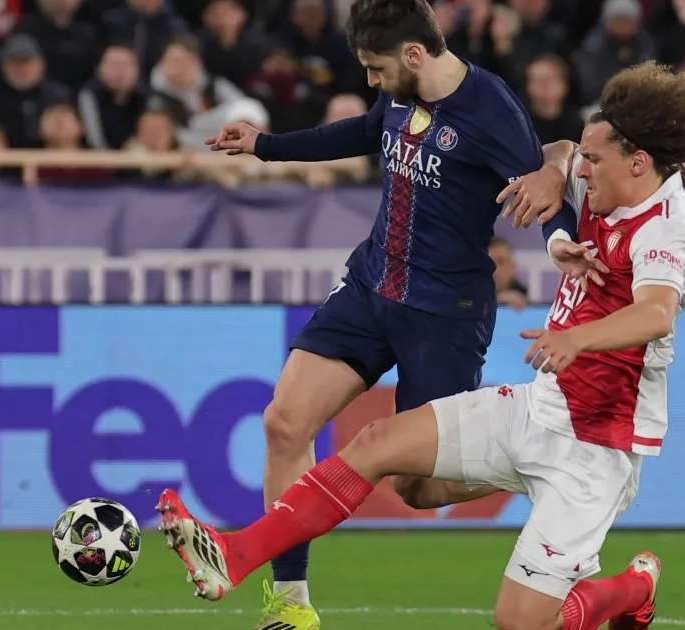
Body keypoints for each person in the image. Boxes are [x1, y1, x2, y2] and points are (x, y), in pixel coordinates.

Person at [159, 60, 685, 630]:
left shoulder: (667, 221)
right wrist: (555, 170)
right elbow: (560, 150)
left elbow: (655, 313)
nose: (586, 170)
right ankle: (235, 555)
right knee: (377, 443)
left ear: (639, 162)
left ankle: (633, 589)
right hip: (537, 409)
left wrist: (577, 337)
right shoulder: (603, 169)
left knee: (521, 624)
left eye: (594, 162)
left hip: (595, 449)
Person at [199, 1, 584, 628]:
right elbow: (363, 132)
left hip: (445, 314)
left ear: (414, 54)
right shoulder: (400, 95)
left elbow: (541, 186)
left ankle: (543, 461)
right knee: (284, 423)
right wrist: (265, 145)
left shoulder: (489, 107)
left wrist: (560, 241)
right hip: (371, 286)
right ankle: (289, 606)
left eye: (377, 69)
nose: (371, 81)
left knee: (416, 487)